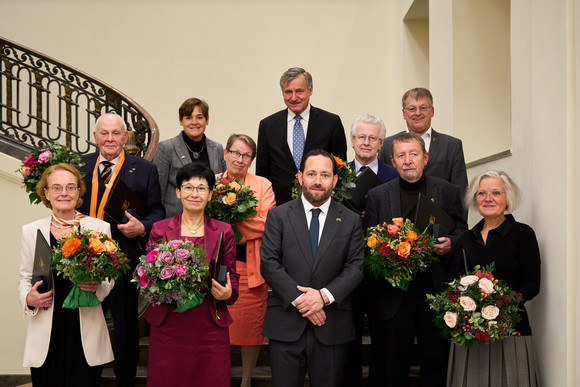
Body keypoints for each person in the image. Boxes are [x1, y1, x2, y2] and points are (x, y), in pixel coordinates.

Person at [364, 133, 468, 387]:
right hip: (394, 293)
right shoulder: (377, 195)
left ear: (426, 158)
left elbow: (464, 232)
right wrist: (385, 252)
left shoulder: (448, 192)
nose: (408, 160)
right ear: (393, 160)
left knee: (435, 360)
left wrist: (452, 243)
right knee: (394, 362)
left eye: (414, 154)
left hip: (434, 289)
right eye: (401, 155)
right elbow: (368, 241)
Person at [260, 149, 364, 386]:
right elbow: (269, 262)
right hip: (285, 325)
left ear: (335, 180)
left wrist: (323, 297)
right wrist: (303, 300)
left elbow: (355, 267)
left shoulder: (350, 220)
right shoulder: (278, 216)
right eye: (312, 174)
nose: (318, 181)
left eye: (325, 175)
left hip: (332, 325)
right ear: (300, 177)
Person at [78, 112, 165, 386]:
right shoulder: (80, 166)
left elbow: (158, 210)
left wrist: (143, 227)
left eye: (116, 133)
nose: (110, 139)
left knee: (126, 330)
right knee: (88, 328)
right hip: (84, 262)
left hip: (123, 260)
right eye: (104, 133)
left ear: (125, 137)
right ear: (95, 137)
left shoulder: (144, 168)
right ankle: (87, 380)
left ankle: (124, 381)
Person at [143, 163, 239, 387]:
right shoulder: (160, 229)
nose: (194, 194)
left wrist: (228, 292)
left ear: (210, 195)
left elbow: (231, 276)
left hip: (209, 324)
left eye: (201, 188)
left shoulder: (224, 231)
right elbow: (147, 276)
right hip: (170, 323)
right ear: (178, 192)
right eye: (188, 187)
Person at [19, 163, 114, 386]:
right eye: (57, 188)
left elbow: (110, 276)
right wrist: (28, 298)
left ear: (79, 192)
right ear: (46, 193)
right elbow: (24, 277)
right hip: (46, 328)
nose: (64, 193)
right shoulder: (31, 231)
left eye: (71, 187)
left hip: (85, 325)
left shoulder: (98, 228)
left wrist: (97, 287)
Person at [447, 170, 541, 387]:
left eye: (496, 192)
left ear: (508, 198)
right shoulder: (464, 240)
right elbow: (452, 283)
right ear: (474, 199)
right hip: (470, 334)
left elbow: (532, 285)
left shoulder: (523, 234)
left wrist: (503, 305)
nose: (488, 199)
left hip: (512, 331)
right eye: (482, 193)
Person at [216, 134, 276, 387]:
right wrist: (242, 223)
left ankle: (246, 381)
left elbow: (267, 223)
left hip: (251, 266)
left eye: (246, 155)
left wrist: (231, 225)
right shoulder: (212, 183)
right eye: (235, 153)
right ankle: (219, 377)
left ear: (252, 159)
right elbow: (206, 222)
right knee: (218, 327)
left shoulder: (263, 184)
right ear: (225, 153)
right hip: (218, 265)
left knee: (251, 329)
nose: (240, 159)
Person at [256, 67, 347, 205]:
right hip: (279, 207)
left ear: (310, 90)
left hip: (320, 204)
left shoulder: (331, 123)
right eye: (288, 92)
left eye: (299, 91)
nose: (293, 98)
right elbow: (262, 175)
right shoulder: (268, 126)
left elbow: (340, 170)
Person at [378, 87, 468, 189]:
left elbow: (460, 191)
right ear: (404, 113)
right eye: (412, 109)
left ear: (432, 111)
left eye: (423, 108)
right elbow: (380, 188)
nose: (417, 113)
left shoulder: (452, 146)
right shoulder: (387, 145)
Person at [154, 97, 227, 218]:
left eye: (199, 117)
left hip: (210, 219)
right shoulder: (166, 148)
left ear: (207, 120)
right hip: (175, 218)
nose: (194, 122)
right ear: (180, 120)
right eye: (188, 117)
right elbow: (158, 190)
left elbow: (223, 185)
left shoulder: (217, 148)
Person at [349, 113, 398, 182]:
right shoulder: (339, 173)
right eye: (361, 137)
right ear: (352, 141)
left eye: (372, 138)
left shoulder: (394, 175)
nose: (366, 143)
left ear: (381, 144)